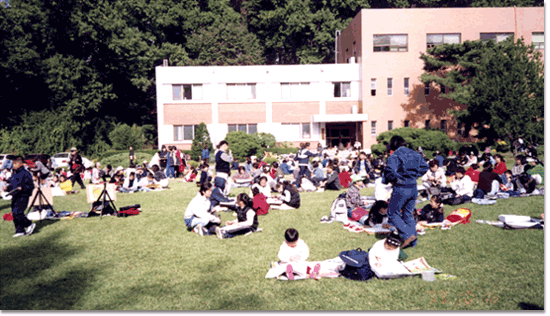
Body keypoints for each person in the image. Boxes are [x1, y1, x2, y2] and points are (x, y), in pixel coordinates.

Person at [383, 135, 429, 249]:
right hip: (413, 186)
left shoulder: (395, 156)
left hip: (401, 187)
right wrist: (414, 176)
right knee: (408, 213)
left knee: (393, 213)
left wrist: (397, 179)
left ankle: (408, 235)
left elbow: (389, 172)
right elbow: (425, 167)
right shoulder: (415, 154)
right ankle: (413, 242)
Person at [4, 156, 36, 237]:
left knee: (18, 213)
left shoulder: (26, 173)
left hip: (23, 196)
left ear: (20, 163)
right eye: (13, 163)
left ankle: (29, 224)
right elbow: (12, 185)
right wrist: (7, 188)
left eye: (15, 163)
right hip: (15, 196)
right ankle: (19, 230)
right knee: (14, 214)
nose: (13, 165)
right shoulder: (14, 174)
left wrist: (23, 188)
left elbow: (31, 186)